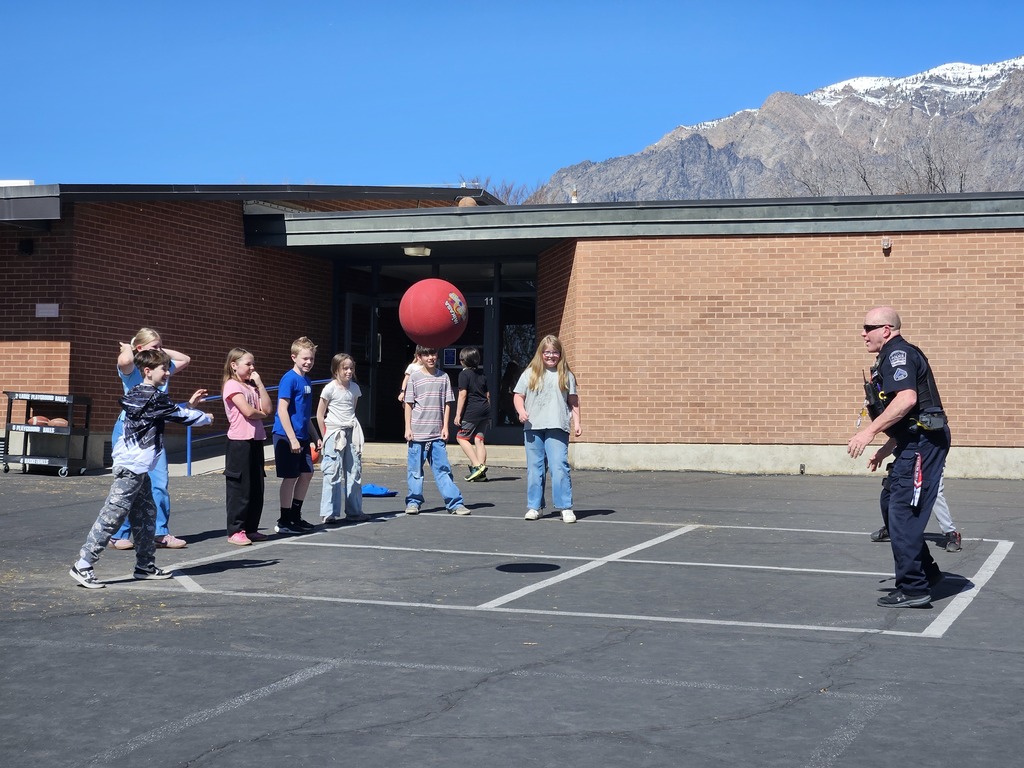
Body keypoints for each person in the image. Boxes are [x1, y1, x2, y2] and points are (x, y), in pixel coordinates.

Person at [69, 349, 213, 588]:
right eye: (163, 369)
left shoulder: (143, 394)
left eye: (167, 368)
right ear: (147, 371)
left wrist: (189, 405)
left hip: (139, 469)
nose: (167, 373)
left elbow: (165, 413)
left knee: (146, 515)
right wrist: (205, 417)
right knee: (112, 516)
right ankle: (83, 564)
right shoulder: (150, 396)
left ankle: (144, 566)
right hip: (131, 469)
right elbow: (179, 415)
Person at [847, 307, 949, 608]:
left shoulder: (897, 355)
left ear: (887, 330)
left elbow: (907, 401)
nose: (863, 333)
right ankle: (927, 573)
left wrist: (868, 433)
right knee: (889, 504)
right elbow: (909, 418)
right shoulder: (889, 356)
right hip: (913, 441)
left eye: (869, 327)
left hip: (923, 444)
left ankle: (914, 589)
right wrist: (885, 449)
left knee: (903, 513)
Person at [108, 327, 191, 550]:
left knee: (160, 483)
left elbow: (185, 359)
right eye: (154, 347)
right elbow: (124, 359)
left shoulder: (162, 370)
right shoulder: (133, 369)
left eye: (161, 346)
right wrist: (129, 347)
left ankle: (160, 532)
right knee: (130, 484)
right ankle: (120, 533)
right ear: (140, 349)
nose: (160, 351)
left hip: (153, 431)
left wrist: (159, 349)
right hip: (130, 431)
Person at [513, 335, 582, 523]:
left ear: (560, 354)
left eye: (555, 352)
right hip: (533, 427)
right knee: (535, 469)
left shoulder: (566, 375)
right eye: (547, 352)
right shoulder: (530, 373)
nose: (551, 356)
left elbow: (573, 401)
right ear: (541, 353)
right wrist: (521, 411)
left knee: (559, 466)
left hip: (557, 426)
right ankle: (535, 507)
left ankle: (565, 507)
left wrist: (577, 423)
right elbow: (518, 395)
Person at [403, 345, 471, 516]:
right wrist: (408, 428)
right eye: (426, 355)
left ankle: (454, 503)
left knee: (443, 469)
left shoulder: (444, 377)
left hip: (437, 434)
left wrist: (445, 427)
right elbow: (408, 404)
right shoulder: (415, 378)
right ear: (419, 357)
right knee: (415, 470)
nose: (430, 358)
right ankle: (413, 501)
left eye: (433, 353)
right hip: (417, 433)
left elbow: (447, 403)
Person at [867, 436, 962, 552]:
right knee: (888, 492)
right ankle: (891, 528)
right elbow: (895, 438)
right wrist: (881, 453)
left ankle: (950, 533)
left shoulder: (931, 421)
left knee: (935, 494)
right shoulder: (903, 422)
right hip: (906, 460)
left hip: (929, 459)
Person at [222, 347, 273, 546]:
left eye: (253, 364)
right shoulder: (231, 385)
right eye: (248, 364)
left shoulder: (251, 387)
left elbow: (267, 408)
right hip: (239, 442)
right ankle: (236, 529)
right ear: (234, 365)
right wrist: (259, 413)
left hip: (256, 439)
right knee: (240, 487)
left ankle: (251, 528)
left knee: (256, 487)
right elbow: (249, 412)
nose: (252, 367)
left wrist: (259, 384)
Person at [272, 337, 320, 534]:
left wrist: (315, 435)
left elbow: (305, 414)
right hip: (286, 436)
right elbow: (282, 410)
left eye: (311, 359)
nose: (308, 362)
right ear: (294, 357)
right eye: (305, 358)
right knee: (290, 477)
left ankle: (295, 516)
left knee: (307, 473)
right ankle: (284, 520)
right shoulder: (289, 379)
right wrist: (291, 438)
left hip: (302, 436)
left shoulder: (307, 380)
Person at [316, 352, 367, 524]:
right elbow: (320, 414)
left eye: (351, 368)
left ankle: (354, 511)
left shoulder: (354, 389)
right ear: (336, 369)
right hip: (334, 433)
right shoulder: (329, 388)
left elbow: (352, 409)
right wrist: (324, 435)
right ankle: (329, 512)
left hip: (351, 431)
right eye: (345, 368)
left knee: (354, 471)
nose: (349, 371)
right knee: (332, 472)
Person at [453, 346, 491, 482]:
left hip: (472, 410)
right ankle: (481, 474)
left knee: (461, 437)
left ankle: (477, 466)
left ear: (462, 360)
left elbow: (462, 394)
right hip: (485, 409)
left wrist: (458, 415)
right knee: (479, 440)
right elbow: (488, 395)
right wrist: (488, 412)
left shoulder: (463, 374)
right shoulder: (482, 374)